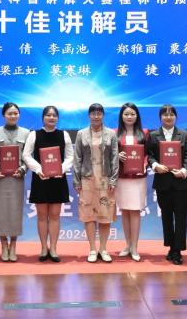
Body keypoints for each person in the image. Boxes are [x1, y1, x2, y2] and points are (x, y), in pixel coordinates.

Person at [22, 105, 73, 262]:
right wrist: (38, 169)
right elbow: (26, 155)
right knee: (42, 216)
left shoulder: (64, 135)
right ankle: (44, 248)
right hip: (41, 179)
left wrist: (61, 169)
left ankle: (54, 248)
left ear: (58, 118)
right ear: (43, 118)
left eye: (54, 115)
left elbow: (70, 157)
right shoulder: (34, 135)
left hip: (58, 179)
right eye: (48, 115)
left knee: (55, 216)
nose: (51, 118)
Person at [147, 104, 187, 265]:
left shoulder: (184, 134)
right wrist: (155, 166)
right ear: (160, 117)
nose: (168, 117)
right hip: (163, 183)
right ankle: (171, 246)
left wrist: (184, 170)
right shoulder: (153, 135)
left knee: (181, 217)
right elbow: (150, 155)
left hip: (181, 182)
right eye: (165, 115)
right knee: (166, 217)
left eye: (171, 114)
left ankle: (177, 250)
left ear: (176, 117)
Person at [73, 104, 119, 263]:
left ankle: (103, 249)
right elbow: (77, 158)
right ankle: (92, 249)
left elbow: (114, 158)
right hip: (87, 179)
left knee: (105, 215)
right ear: (89, 116)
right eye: (93, 113)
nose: (96, 116)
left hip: (105, 179)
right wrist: (76, 180)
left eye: (99, 113)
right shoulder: (81, 134)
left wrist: (114, 179)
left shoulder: (111, 134)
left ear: (103, 115)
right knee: (89, 215)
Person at [0, 102, 30, 262]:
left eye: (15, 113)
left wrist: (23, 169)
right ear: (4, 115)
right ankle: (3, 245)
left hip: (16, 178)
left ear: (19, 115)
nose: (13, 116)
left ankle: (13, 245)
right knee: (0, 212)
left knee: (15, 211)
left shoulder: (26, 133)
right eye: (9, 113)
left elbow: (28, 156)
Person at [115, 103, 148, 262]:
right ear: (121, 116)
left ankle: (135, 246)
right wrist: (117, 156)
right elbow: (110, 154)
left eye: (132, 114)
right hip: (122, 178)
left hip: (138, 179)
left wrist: (145, 163)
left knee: (135, 211)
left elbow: (149, 154)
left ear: (137, 116)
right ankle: (127, 245)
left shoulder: (144, 133)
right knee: (125, 211)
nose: (129, 117)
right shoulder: (115, 134)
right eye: (126, 114)